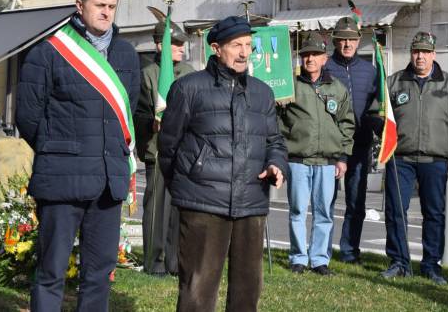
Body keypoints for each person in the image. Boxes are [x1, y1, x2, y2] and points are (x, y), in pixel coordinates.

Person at [16, 0, 141, 312]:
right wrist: (61, 148)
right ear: (80, 5)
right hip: (62, 179)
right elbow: (28, 116)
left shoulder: (126, 54)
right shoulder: (49, 50)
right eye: (99, 5)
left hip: (107, 182)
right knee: (51, 271)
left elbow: (128, 111)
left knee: (100, 273)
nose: (106, 13)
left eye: (112, 6)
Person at [158, 16, 289, 311]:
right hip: (202, 204)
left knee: (247, 291)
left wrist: (276, 164)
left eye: (248, 45)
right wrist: (188, 186)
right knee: (197, 290)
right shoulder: (188, 88)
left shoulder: (262, 93)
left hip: (251, 202)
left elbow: (275, 142)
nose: (244, 52)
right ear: (216, 48)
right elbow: (168, 146)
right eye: (236, 46)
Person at [378, 31, 448, 285]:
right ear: (411, 53)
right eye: (416, 51)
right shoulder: (394, 82)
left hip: (436, 159)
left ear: (434, 54)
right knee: (396, 211)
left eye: (425, 52)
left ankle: (431, 265)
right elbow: (379, 116)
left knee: (434, 214)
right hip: (401, 159)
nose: (420, 56)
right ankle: (399, 262)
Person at [278, 31, 355, 275]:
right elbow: (276, 121)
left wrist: (342, 157)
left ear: (325, 58)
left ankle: (320, 260)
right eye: (305, 55)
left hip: (327, 161)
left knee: (324, 213)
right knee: (298, 211)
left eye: (315, 54)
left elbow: (347, 123)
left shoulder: (338, 88)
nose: (309, 59)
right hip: (298, 159)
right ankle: (298, 258)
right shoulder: (289, 85)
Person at [134, 20, 194, 276]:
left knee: (180, 209)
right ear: (161, 45)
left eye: (182, 43)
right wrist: (152, 123)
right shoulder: (147, 74)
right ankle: (154, 261)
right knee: (157, 207)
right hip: (157, 149)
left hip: (183, 151)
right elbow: (138, 112)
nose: (181, 48)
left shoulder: (191, 72)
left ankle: (175, 261)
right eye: (176, 44)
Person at [323, 16, 378, 265]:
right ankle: (322, 251)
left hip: (361, 145)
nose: (347, 44)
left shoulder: (370, 71)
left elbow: (378, 108)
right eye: (343, 39)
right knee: (326, 202)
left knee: (356, 203)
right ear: (335, 41)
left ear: (358, 41)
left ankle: (349, 252)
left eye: (352, 39)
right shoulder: (325, 68)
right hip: (330, 147)